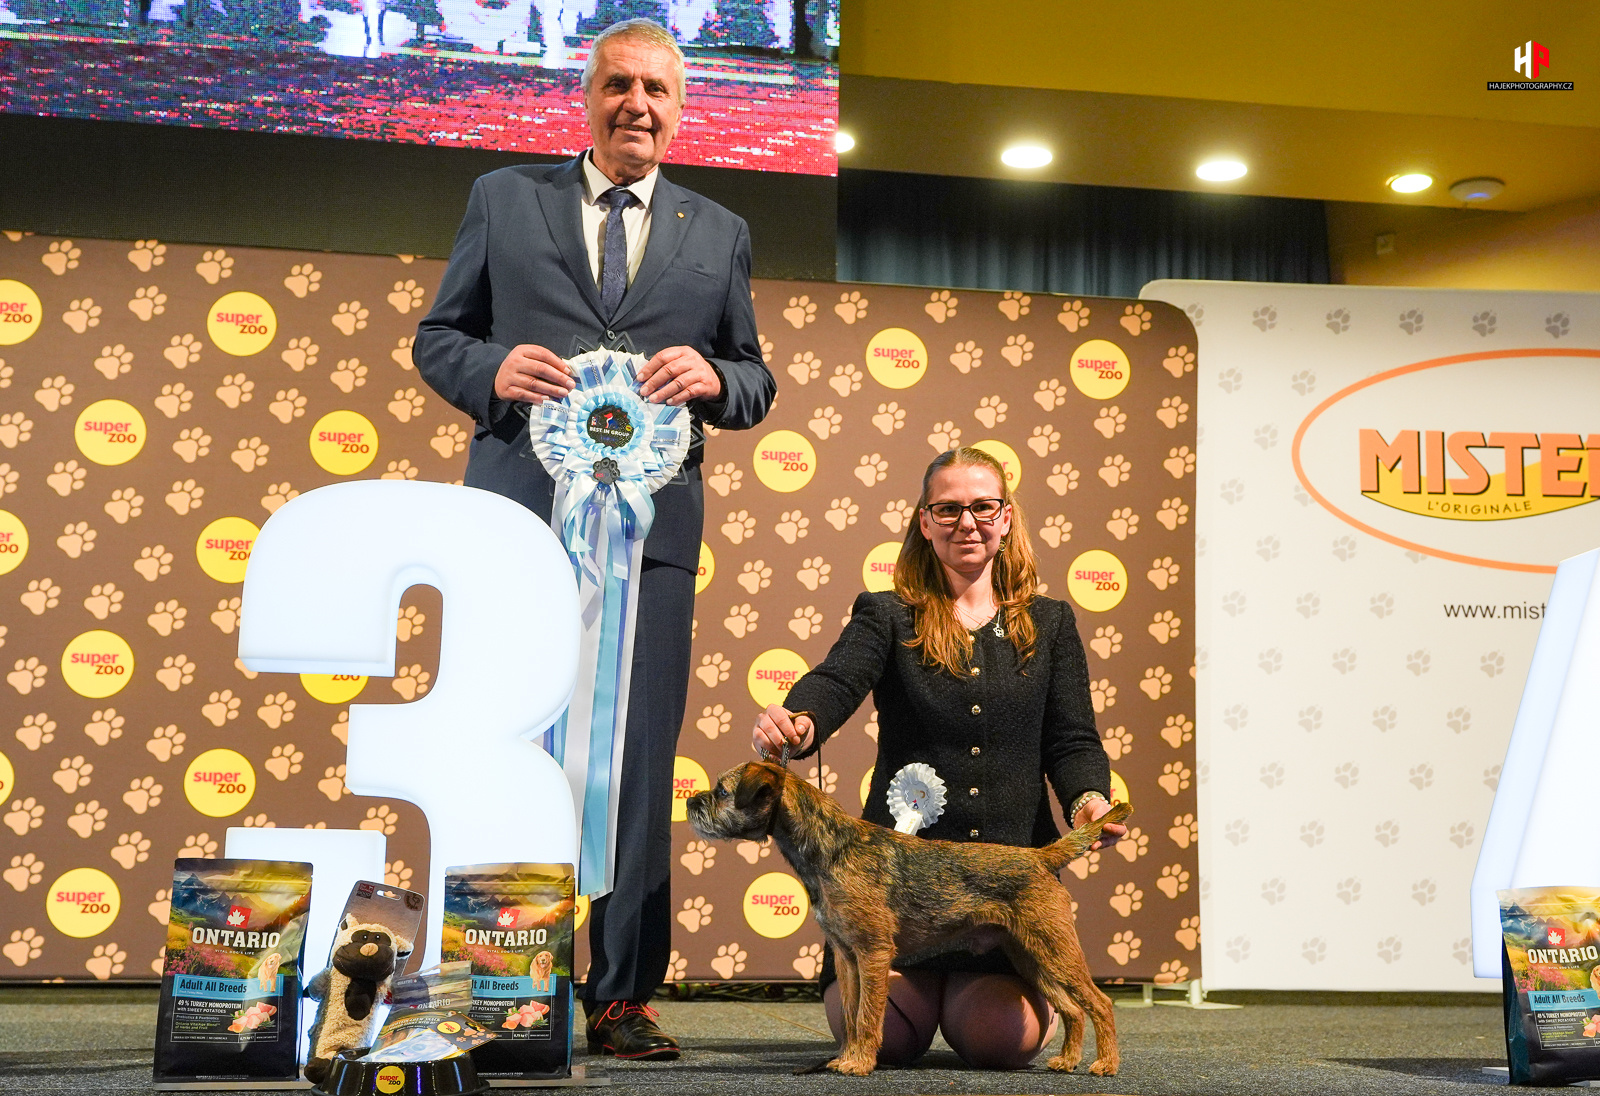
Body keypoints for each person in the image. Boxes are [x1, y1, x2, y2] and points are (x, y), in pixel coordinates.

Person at [415, 17, 775, 1062]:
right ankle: (501, 982)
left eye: (657, 89)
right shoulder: (502, 197)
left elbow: (753, 375)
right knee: (510, 749)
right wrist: (490, 372)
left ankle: (620, 995)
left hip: (650, 543)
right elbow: (438, 337)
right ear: (586, 97)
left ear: (680, 108)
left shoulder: (721, 229)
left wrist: (717, 379)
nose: (637, 106)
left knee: (637, 759)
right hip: (518, 528)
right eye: (618, 84)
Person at [750, 446, 1126, 1069]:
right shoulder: (886, 614)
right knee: (889, 1042)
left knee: (1000, 1042)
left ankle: (991, 998)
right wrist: (801, 719)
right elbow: (837, 680)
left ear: (1007, 517)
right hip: (895, 898)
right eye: (947, 509)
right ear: (924, 522)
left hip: (1005, 886)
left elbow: (1073, 739)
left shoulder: (1052, 623)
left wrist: (1088, 798)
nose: (966, 522)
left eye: (983, 507)